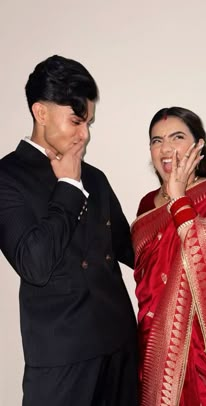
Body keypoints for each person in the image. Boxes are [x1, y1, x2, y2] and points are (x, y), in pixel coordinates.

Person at [0, 55, 138, 406]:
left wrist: (179, 210)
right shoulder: (7, 177)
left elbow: (132, 249)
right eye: (77, 121)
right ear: (41, 113)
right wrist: (69, 187)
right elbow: (34, 264)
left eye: (89, 122)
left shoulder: (96, 177)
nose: (85, 135)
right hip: (62, 360)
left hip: (120, 348)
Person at [131, 106, 206, 406]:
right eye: (156, 140)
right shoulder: (146, 206)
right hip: (155, 342)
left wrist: (179, 198)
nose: (165, 148)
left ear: (198, 145)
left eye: (177, 137)